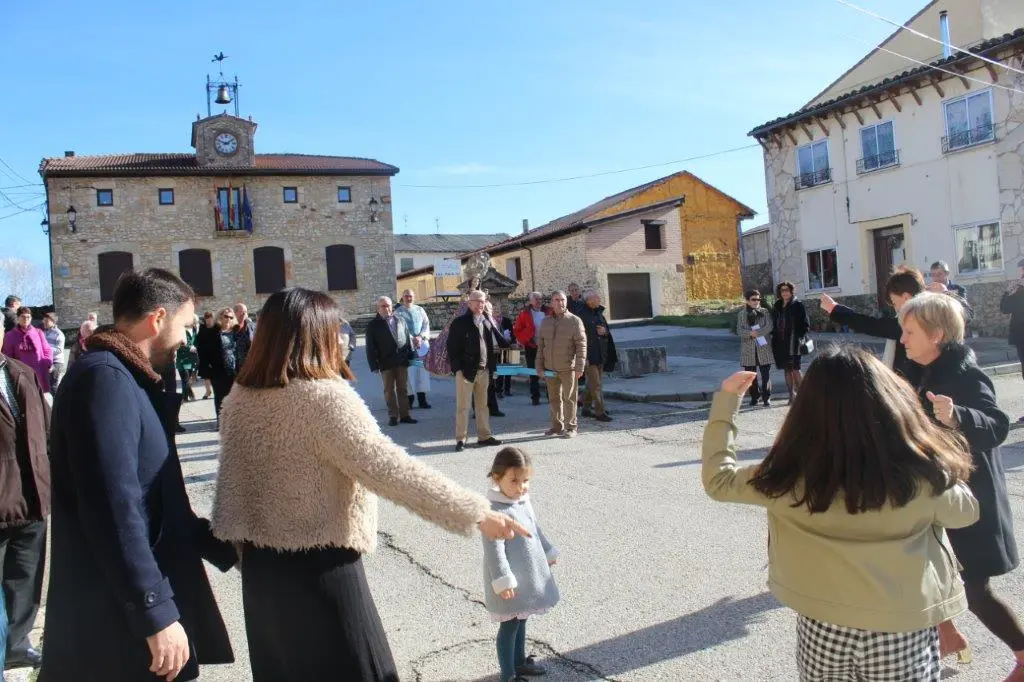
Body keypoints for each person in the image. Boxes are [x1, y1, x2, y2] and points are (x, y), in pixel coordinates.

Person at [210, 287, 530, 682]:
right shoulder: (324, 398)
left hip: (262, 575)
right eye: (335, 330)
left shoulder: (239, 399)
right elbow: (388, 468)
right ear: (317, 335)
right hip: (321, 569)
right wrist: (475, 512)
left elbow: (232, 486)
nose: (342, 339)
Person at [702, 347, 978, 680]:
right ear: (892, 403)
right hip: (902, 625)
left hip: (822, 624)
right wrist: (932, 447)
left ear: (805, 412)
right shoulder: (921, 477)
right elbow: (965, 514)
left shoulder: (784, 477)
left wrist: (727, 402)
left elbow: (719, 480)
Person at [41, 268, 238, 682]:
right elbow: (114, 507)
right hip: (113, 619)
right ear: (158, 318)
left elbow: (159, 497)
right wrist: (155, 613)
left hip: (128, 601)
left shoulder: (125, 376)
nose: (187, 338)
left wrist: (230, 550)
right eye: (185, 326)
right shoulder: (105, 380)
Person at [899, 293, 1023, 678]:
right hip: (936, 496)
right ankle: (944, 634)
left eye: (909, 331)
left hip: (971, 498)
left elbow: (997, 426)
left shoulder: (966, 375)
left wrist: (957, 416)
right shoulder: (922, 370)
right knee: (925, 574)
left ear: (935, 335)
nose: (902, 339)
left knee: (976, 592)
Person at [483, 447, 559, 682]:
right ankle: (508, 675)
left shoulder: (523, 502)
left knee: (522, 618)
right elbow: (493, 549)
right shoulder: (493, 510)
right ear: (497, 478)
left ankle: (519, 661)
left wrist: (547, 550)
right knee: (509, 626)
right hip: (508, 581)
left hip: (527, 575)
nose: (521, 486)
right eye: (514, 480)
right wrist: (502, 579)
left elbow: (535, 529)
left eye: (525, 480)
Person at [0, 351, 51, 669]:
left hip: (33, 497)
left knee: (26, 579)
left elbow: (46, 428)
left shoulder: (21, 371)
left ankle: (16, 646)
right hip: (2, 500)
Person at [820, 266, 926, 377]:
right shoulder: (928, 315)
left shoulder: (911, 322)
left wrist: (834, 308)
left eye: (894, 303)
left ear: (906, 297)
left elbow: (870, 325)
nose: (895, 309)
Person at [447, 290, 505, 452]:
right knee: (463, 406)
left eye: (483, 301)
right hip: (466, 370)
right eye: (477, 301)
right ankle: (461, 439)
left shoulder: (487, 321)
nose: (481, 304)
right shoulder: (459, 322)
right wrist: (458, 368)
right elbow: (452, 348)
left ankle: (484, 436)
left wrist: (492, 322)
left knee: (482, 405)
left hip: (484, 370)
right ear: (469, 303)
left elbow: (498, 343)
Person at [535, 291, 586, 439]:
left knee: (569, 398)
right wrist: (539, 366)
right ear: (551, 302)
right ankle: (557, 426)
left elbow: (581, 346)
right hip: (550, 369)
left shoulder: (575, 321)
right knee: (553, 399)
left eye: (563, 299)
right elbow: (541, 346)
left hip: (568, 367)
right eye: (557, 300)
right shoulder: (546, 321)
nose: (560, 302)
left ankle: (571, 427)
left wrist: (579, 367)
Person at [365, 296, 417, 427]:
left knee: (403, 389)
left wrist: (411, 356)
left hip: (401, 361)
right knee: (389, 390)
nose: (387, 308)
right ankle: (393, 416)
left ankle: (405, 415)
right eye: (383, 306)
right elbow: (370, 347)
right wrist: (373, 365)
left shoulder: (400, 320)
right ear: (378, 308)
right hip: (385, 362)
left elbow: (406, 338)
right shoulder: (372, 325)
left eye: (388, 305)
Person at [577, 290, 617, 421]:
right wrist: (583, 357)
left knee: (592, 384)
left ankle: (586, 408)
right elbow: (577, 338)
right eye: (595, 297)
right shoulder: (581, 315)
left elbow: (606, 332)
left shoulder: (599, 312)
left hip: (600, 353)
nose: (599, 298)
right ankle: (600, 412)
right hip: (588, 356)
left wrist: (604, 332)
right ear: (588, 300)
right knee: (596, 385)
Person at [770, 282, 809, 403]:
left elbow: (805, 324)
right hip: (780, 343)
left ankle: (803, 397)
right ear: (780, 292)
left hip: (794, 342)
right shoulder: (777, 306)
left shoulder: (798, 305)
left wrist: (799, 337)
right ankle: (791, 395)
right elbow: (773, 323)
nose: (784, 292)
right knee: (787, 369)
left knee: (796, 369)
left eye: (787, 290)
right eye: (782, 290)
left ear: (791, 291)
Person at [736, 289, 773, 408]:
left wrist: (758, 333)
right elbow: (739, 330)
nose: (756, 301)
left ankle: (767, 397)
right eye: (753, 299)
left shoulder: (765, 311)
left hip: (763, 347)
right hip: (749, 348)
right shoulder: (742, 314)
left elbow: (769, 326)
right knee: (750, 376)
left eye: (758, 299)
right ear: (747, 301)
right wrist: (750, 334)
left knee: (765, 375)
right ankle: (754, 397)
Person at [2, 307, 53, 394]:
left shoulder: (38, 332)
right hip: (22, 373)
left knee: (41, 398)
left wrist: (47, 363)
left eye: (28, 317)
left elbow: (47, 349)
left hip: (39, 371)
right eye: (23, 316)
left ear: (31, 318)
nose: (26, 319)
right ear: (18, 318)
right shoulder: (10, 335)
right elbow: (7, 356)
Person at [396, 289, 432, 410]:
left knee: (422, 373)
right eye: (406, 296)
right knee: (409, 375)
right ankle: (409, 400)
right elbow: (399, 330)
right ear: (402, 297)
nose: (408, 298)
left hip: (421, 346)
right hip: (407, 347)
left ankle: (422, 400)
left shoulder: (420, 310)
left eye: (410, 296)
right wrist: (412, 338)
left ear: (414, 297)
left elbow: (426, 324)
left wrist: (420, 337)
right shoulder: (398, 313)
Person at [513, 293, 550, 406]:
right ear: (531, 301)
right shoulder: (524, 314)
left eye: (540, 299)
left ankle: (551, 396)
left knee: (548, 371)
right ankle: (535, 397)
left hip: (547, 346)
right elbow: (517, 329)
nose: (539, 301)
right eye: (536, 299)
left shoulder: (549, 311)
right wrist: (525, 340)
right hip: (531, 346)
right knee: (533, 372)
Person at [1000, 259, 1024, 423]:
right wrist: (1009, 292)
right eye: (1021, 272)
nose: (1022, 275)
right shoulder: (1018, 291)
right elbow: (1005, 308)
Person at [206, 308, 240, 422]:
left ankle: (234, 422)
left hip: (234, 369)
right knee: (220, 397)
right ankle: (221, 422)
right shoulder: (213, 332)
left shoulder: (236, 332)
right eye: (226, 316)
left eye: (231, 317)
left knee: (234, 397)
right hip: (218, 370)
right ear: (220, 317)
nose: (228, 319)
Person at [491, 302, 514, 398]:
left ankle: (507, 389)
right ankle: (498, 391)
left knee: (508, 370)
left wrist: (511, 340)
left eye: (498, 312)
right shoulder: (490, 322)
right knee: (499, 371)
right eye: (495, 312)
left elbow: (513, 334)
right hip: (497, 349)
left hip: (508, 347)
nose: (498, 316)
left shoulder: (507, 321)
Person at [176, 316, 199, 403]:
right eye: (194, 321)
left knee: (189, 378)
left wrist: (196, 347)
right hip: (182, 358)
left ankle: (185, 397)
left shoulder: (194, 329)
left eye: (195, 322)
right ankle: (189, 395)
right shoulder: (181, 330)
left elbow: (196, 341)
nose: (195, 323)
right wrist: (189, 347)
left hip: (191, 358)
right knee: (185, 378)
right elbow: (179, 344)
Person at [194, 310, 216, 399]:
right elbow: (198, 340)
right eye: (207, 318)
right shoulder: (202, 328)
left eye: (210, 318)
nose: (208, 320)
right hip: (204, 355)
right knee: (206, 375)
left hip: (214, 355)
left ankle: (215, 391)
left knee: (214, 374)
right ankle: (208, 391)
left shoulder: (216, 328)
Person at [42, 312, 66, 391]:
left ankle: (59, 403)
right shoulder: (44, 332)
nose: (44, 323)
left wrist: (45, 350)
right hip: (47, 361)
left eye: (46, 321)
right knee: (48, 386)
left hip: (56, 363)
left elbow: (59, 350)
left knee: (54, 387)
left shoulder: (58, 334)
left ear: (53, 321)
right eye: (44, 321)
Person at [233, 303, 256, 370]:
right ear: (234, 313)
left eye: (245, 312)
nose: (243, 314)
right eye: (241, 311)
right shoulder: (229, 328)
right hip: (234, 369)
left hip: (250, 367)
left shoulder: (252, 327)